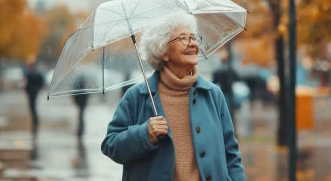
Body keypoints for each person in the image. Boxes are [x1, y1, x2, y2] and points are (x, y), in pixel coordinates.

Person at [101, 13, 245, 181]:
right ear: (163, 52)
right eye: (182, 38)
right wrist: (144, 134)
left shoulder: (213, 95)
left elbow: (231, 154)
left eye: (193, 37)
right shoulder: (136, 97)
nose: (192, 43)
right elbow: (111, 145)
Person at [212, 51, 239, 120]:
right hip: (230, 93)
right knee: (230, 112)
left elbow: (214, 82)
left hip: (222, 91)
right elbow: (238, 78)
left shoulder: (217, 70)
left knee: (222, 110)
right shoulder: (231, 70)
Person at [24, 60, 44, 136]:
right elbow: (41, 83)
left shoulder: (30, 73)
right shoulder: (36, 73)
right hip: (34, 92)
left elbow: (27, 84)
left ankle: (35, 120)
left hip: (31, 93)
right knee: (33, 106)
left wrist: (27, 90)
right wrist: (37, 89)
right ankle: (35, 120)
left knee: (32, 106)